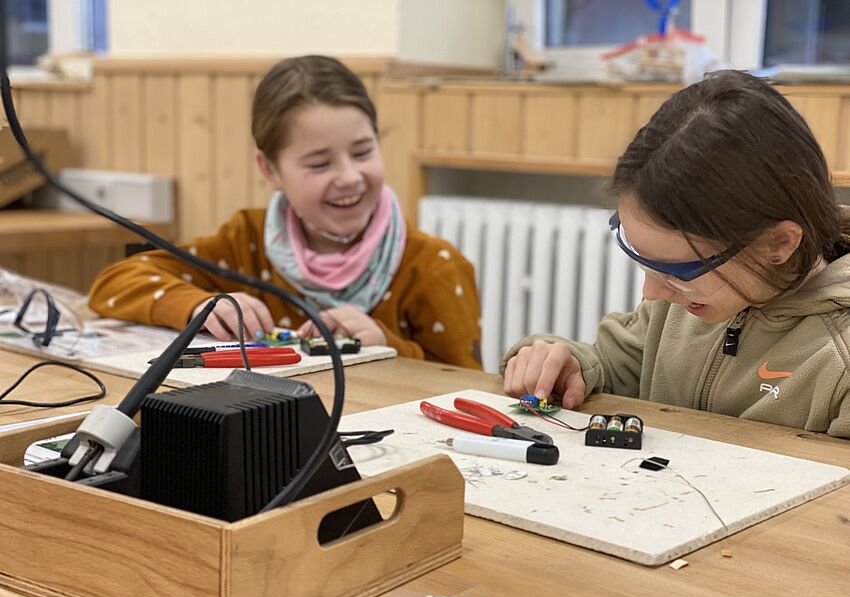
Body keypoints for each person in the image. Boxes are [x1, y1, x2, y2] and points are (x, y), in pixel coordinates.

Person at [502, 70, 850, 437]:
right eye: (644, 259)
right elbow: (616, 366)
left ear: (776, 244)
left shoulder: (838, 355)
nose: (650, 293)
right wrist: (569, 365)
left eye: (678, 270)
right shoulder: (682, 306)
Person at [89, 55, 481, 369]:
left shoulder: (433, 267)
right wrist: (197, 305)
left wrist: (386, 347)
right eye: (319, 163)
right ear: (270, 170)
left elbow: (465, 383)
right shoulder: (245, 239)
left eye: (363, 152)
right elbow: (115, 281)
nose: (348, 177)